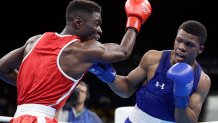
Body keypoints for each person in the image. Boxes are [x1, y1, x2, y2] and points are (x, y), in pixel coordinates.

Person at [0, 0, 152, 122]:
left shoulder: (35, 41)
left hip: (19, 117)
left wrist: (37, 86)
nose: (100, 30)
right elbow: (122, 51)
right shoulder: (81, 49)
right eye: (97, 23)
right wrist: (135, 20)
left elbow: (2, 68)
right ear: (78, 23)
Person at [89, 20, 211, 123]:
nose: (181, 47)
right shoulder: (154, 59)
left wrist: (181, 98)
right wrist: (109, 77)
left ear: (200, 49)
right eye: (179, 40)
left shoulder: (202, 80)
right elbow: (127, 88)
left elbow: (188, 121)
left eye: (189, 45)